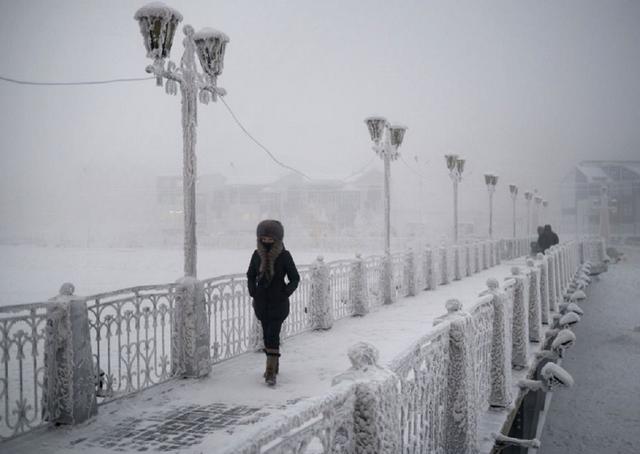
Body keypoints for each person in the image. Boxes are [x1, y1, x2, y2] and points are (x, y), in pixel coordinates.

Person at [246, 220, 300, 386]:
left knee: (272, 335)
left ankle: (270, 372)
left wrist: (285, 292)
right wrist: (253, 291)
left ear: (277, 238)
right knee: (266, 335)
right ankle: (274, 364)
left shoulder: (285, 256)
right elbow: (250, 274)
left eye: (271, 239)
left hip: (278, 303)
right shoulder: (256, 255)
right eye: (264, 238)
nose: (267, 241)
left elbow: (295, 278)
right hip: (261, 303)